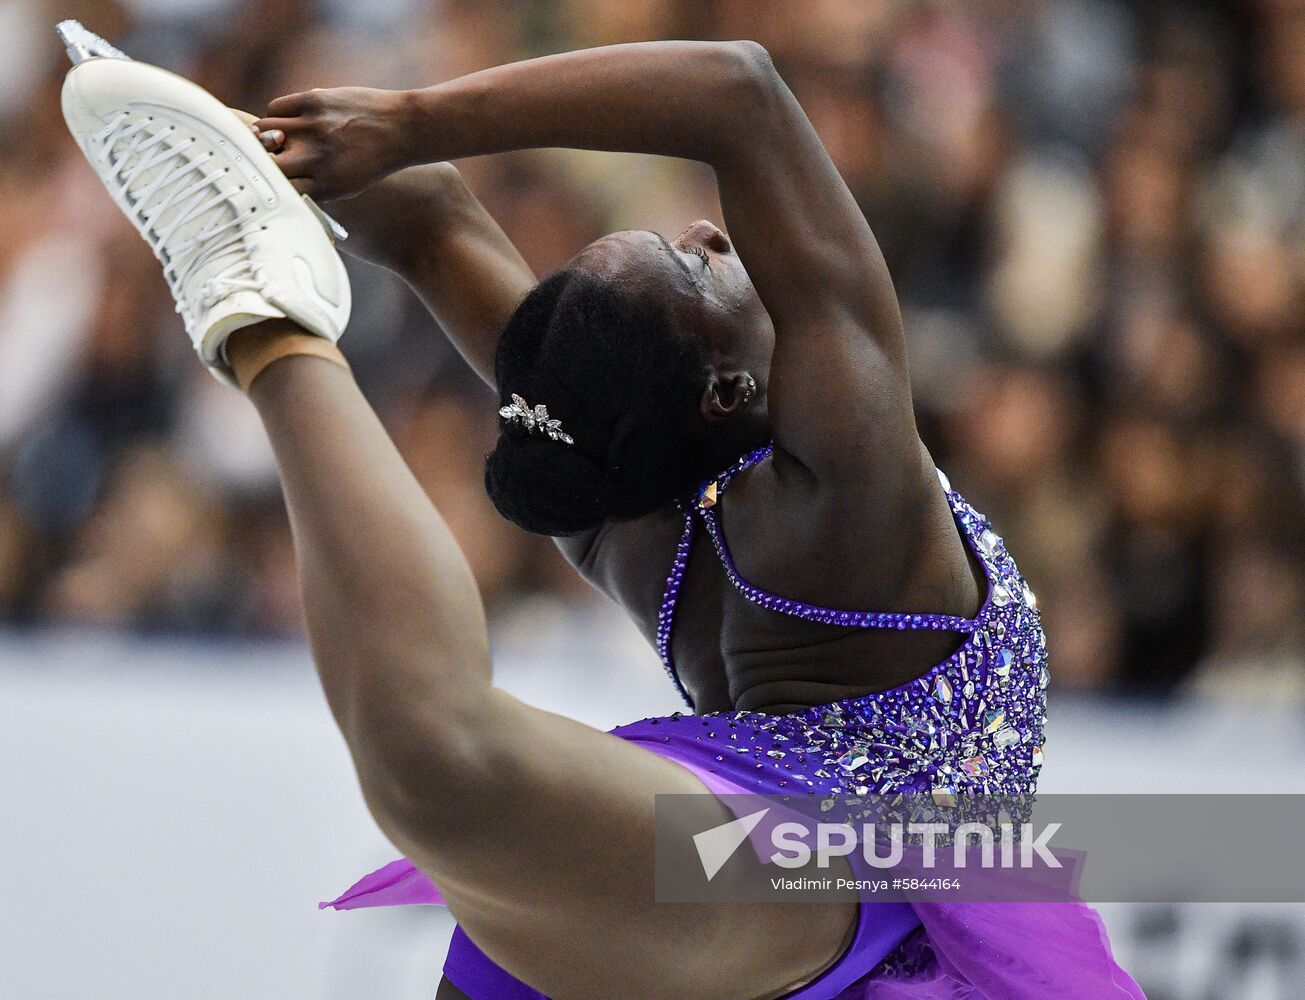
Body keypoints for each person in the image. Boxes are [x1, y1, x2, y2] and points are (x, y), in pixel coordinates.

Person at [63, 42, 1143, 999]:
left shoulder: (610, 498)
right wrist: (404, 119)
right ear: (725, 390)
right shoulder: (848, 488)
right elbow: (741, 94)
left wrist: (224, 129)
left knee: (430, 761)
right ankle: (261, 322)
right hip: (813, 853)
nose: (714, 229)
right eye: (697, 262)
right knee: (433, 754)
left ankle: (264, 312)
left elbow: (435, 225)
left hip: (792, 869)